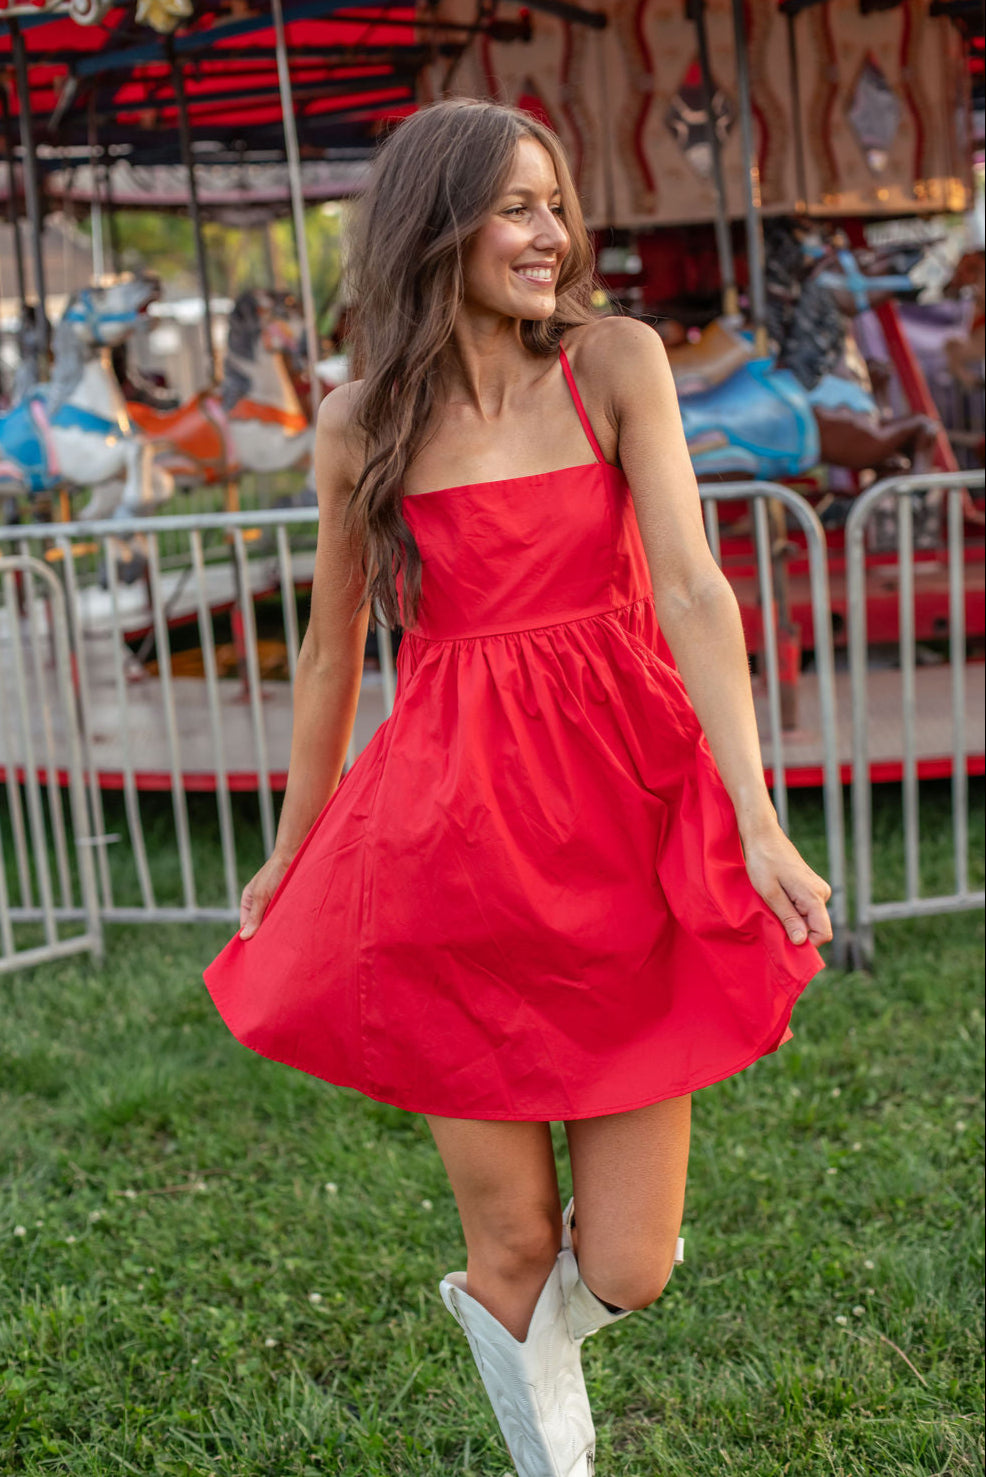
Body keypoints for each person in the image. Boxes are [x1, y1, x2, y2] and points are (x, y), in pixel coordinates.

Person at [204, 97, 832, 1476]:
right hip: (449, 841)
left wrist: (758, 820)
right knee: (511, 1243)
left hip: (622, 818)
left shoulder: (614, 363)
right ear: (439, 228)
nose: (552, 235)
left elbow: (691, 589)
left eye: (556, 205)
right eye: (517, 208)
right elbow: (329, 654)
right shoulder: (362, 421)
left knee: (628, 1265)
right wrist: (293, 847)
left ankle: (537, 1330)